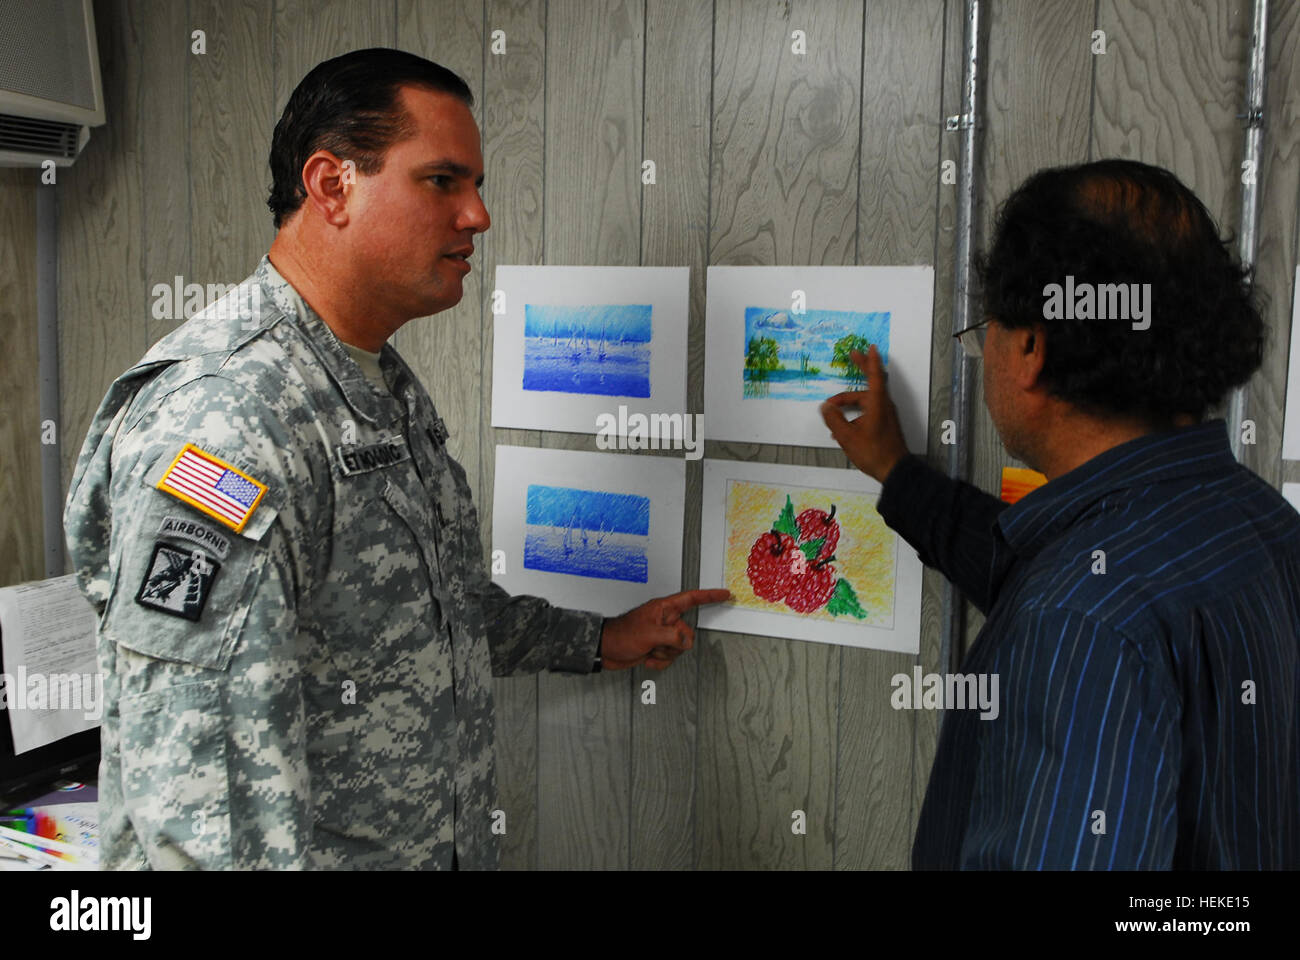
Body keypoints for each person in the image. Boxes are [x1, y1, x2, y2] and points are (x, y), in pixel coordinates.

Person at [63, 47, 727, 871]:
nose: (478, 215)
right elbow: (195, 794)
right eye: (443, 181)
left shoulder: (376, 379)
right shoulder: (228, 418)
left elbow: (422, 617)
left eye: (476, 185)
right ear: (332, 185)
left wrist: (597, 638)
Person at [822, 159, 1300, 869]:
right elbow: (1041, 567)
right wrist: (898, 474)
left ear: (1031, 348)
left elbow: (1079, 607)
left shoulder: (1081, 616)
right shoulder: (1256, 523)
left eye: (988, 329)